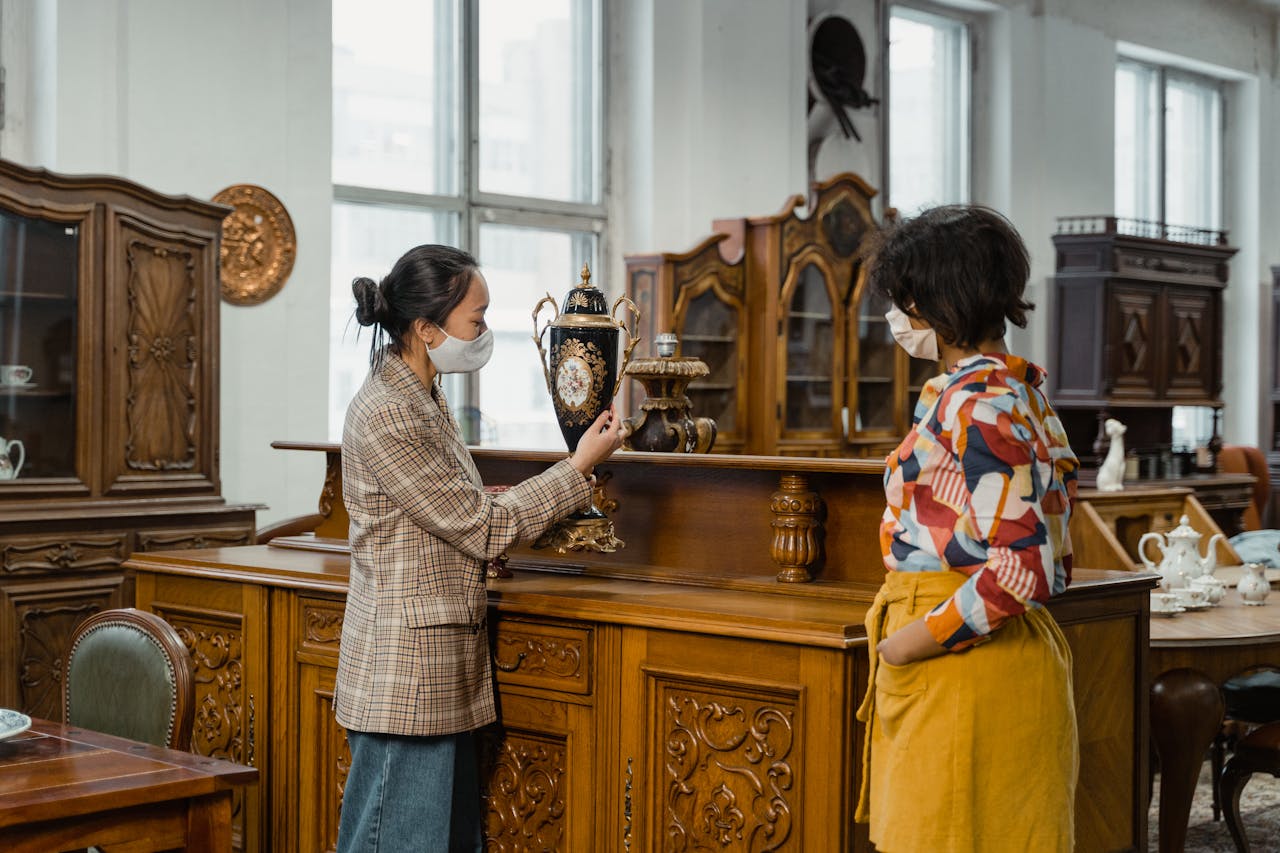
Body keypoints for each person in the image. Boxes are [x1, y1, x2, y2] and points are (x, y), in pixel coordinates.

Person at [333, 245, 623, 852]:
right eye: (477, 317)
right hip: (405, 673)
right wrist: (577, 468)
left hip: (431, 667)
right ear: (425, 328)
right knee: (398, 841)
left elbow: (441, 509)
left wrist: (475, 499)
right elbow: (482, 528)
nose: (484, 331)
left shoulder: (421, 392)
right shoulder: (391, 410)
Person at [853, 205, 1081, 852]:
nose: (899, 315)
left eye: (905, 299)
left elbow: (1022, 566)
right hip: (981, 662)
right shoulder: (1017, 393)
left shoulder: (978, 404)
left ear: (934, 300)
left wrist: (906, 643)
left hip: (965, 666)